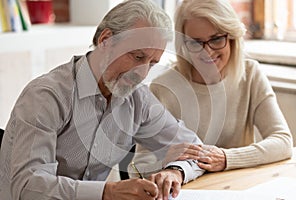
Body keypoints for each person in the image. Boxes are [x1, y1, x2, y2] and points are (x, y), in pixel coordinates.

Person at [0, 0, 205, 199]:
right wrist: (108, 192)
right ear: (105, 40)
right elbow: (28, 187)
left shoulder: (136, 99)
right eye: (137, 57)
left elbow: (196, 151)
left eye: (152, 63)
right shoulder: (46, 96)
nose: (142, 74)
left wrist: (175, 172)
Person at [131, 0, 293, 177]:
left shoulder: (251, 74)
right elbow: (141, 165)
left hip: (238, 186)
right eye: (195, 43)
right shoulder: (163, 88)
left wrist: (225, 158)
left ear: (231, 37)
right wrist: (165, 165)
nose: (206, 52)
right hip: (185, 191)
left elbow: (283, 141)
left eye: (216, 39)